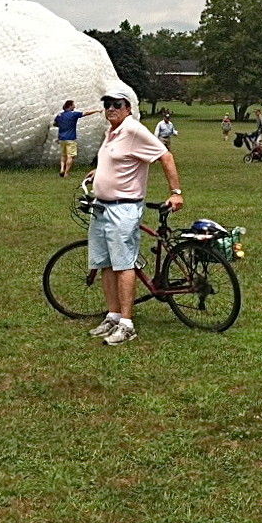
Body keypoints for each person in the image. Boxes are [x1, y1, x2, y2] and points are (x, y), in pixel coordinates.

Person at [86, 81, 184, 346]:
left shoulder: (132, 129)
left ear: (128, 108)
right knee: (104, 263)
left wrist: (176, 191)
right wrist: (99, 172)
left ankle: (127, 323)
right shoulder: (112, 132)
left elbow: (165, 156)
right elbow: (119, 159)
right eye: (107, 104)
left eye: (117, 104)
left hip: (123, 208)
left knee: (123, 264)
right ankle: (113, 315)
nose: (111, 109)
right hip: (102, 207)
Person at [54, 100, 101, 178]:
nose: (74, 106)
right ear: (69, 106)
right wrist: (97, 110)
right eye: (73, 105)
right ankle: (66, 173)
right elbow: (86, 113)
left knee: (63, 155)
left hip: (62, 139)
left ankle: (62, 169)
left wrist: (63, 126)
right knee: (71, 156)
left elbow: (55, 124)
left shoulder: (60, 115)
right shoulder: (73, 114)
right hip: (71, 138)